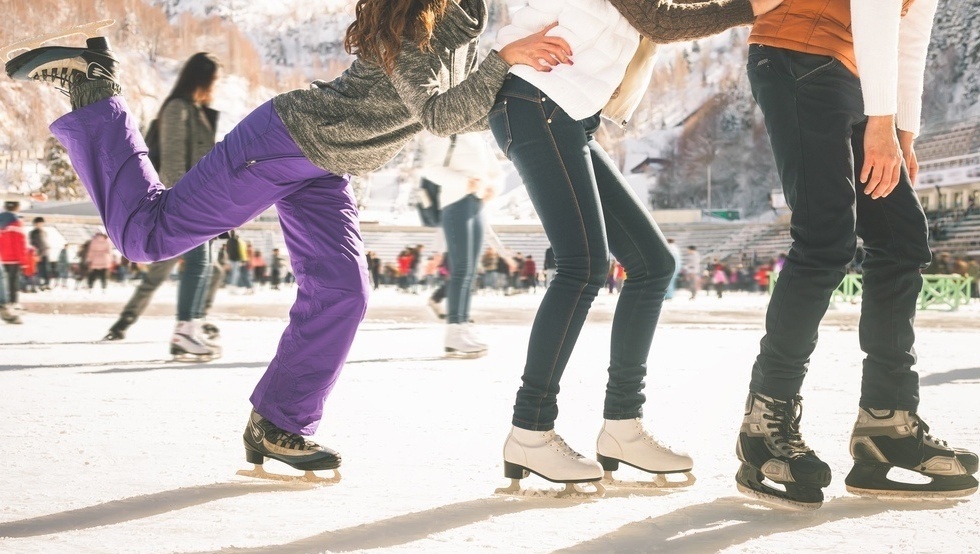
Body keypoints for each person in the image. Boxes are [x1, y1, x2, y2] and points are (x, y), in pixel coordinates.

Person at [5, 0, 571, 479]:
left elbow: (449, 113)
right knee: (145, 236)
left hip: (327, 164)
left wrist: (525, 85)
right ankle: (94, 85)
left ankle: (278, 424)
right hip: (284, 142)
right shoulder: (415, 19)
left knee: (344, 292)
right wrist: (504, 61)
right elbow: (441, 115)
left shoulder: (464, 18)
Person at [491, 0, 782, 493]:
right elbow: (661, 20)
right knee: (582, 265)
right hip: (538, 100)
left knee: (653, 264)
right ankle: (530, 430)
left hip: (568, 114)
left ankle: (622, 427)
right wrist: (751, 7)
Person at [735, 0, 977, 510]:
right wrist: (881, 124)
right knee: (824, 241)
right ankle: (764, 422)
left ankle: (886, 423)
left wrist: (902, 130)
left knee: (901, 240)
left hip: (855, 74)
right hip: (797, 57)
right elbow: (874, 6)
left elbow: (910, 33)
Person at [103, 53, 223, 360]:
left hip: (201, 203)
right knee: (196, 266)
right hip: (187, 203)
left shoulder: (195, 110)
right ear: (202, 79)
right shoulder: (177, 109)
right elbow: (172, 164)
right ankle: (184, 332)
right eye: (214, 80)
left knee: (205, 266)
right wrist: (186, 205)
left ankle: (191, 328)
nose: (215, 86)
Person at [421, 132, 501, 356]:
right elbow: (431, 168)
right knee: (461, 268)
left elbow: (494, 171)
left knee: (470, 271)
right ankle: (454, 331)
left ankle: (463, 326)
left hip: (477, 203)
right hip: (455, 202)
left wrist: (491, 186)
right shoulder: (447, 131)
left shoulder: (478, 136)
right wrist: (465, 182)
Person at [0, 200, 28, 309]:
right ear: (17, 207)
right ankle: (13, 302)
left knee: (3, 281)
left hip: (2, 258)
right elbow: (19, 243)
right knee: (13, 282)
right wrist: (23, 260)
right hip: (14, 258)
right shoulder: (16, 222)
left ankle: (4, 301)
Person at [28, 216, 50, 290]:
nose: (40, 225)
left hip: (45, 254)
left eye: (41, 223)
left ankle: (45, 284)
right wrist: (37, 254)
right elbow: (32, 244)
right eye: (38, 223)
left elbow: (45, 244)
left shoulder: (44, 232)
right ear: (35, 224)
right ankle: (36, 284)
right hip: (37, 255)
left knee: (45, 270)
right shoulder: (33, 233)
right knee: (37, 271)